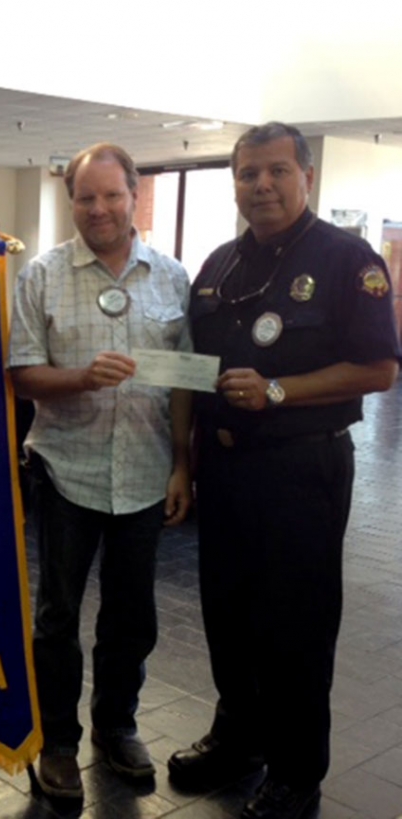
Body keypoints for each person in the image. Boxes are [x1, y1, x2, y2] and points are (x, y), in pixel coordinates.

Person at [167, 122, 400, 819]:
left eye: (275, 171)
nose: (260, 185)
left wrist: (279, 390)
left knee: (294, 627)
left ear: (305, 176)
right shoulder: (218, 267)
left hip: (303, 468)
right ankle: (239, 739)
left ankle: (298, 772)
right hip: (228, 470)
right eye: (246, 174)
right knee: (227, 615)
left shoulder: (345, 259)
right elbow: (192, 367)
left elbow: (381, 368)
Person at [8, 143, 193, 798]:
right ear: (72, 202)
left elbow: (183, 386)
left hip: (145, 474)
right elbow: (23, 375)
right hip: (65, 473)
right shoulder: (42, 276)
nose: (100, 208)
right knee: (56, 615)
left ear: (134, 195)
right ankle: (56, 741)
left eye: (112, 195)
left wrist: (182, 466)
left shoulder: (172, 278)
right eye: (86, 197)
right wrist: (82, 377)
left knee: (131, 616)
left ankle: (116, 727)